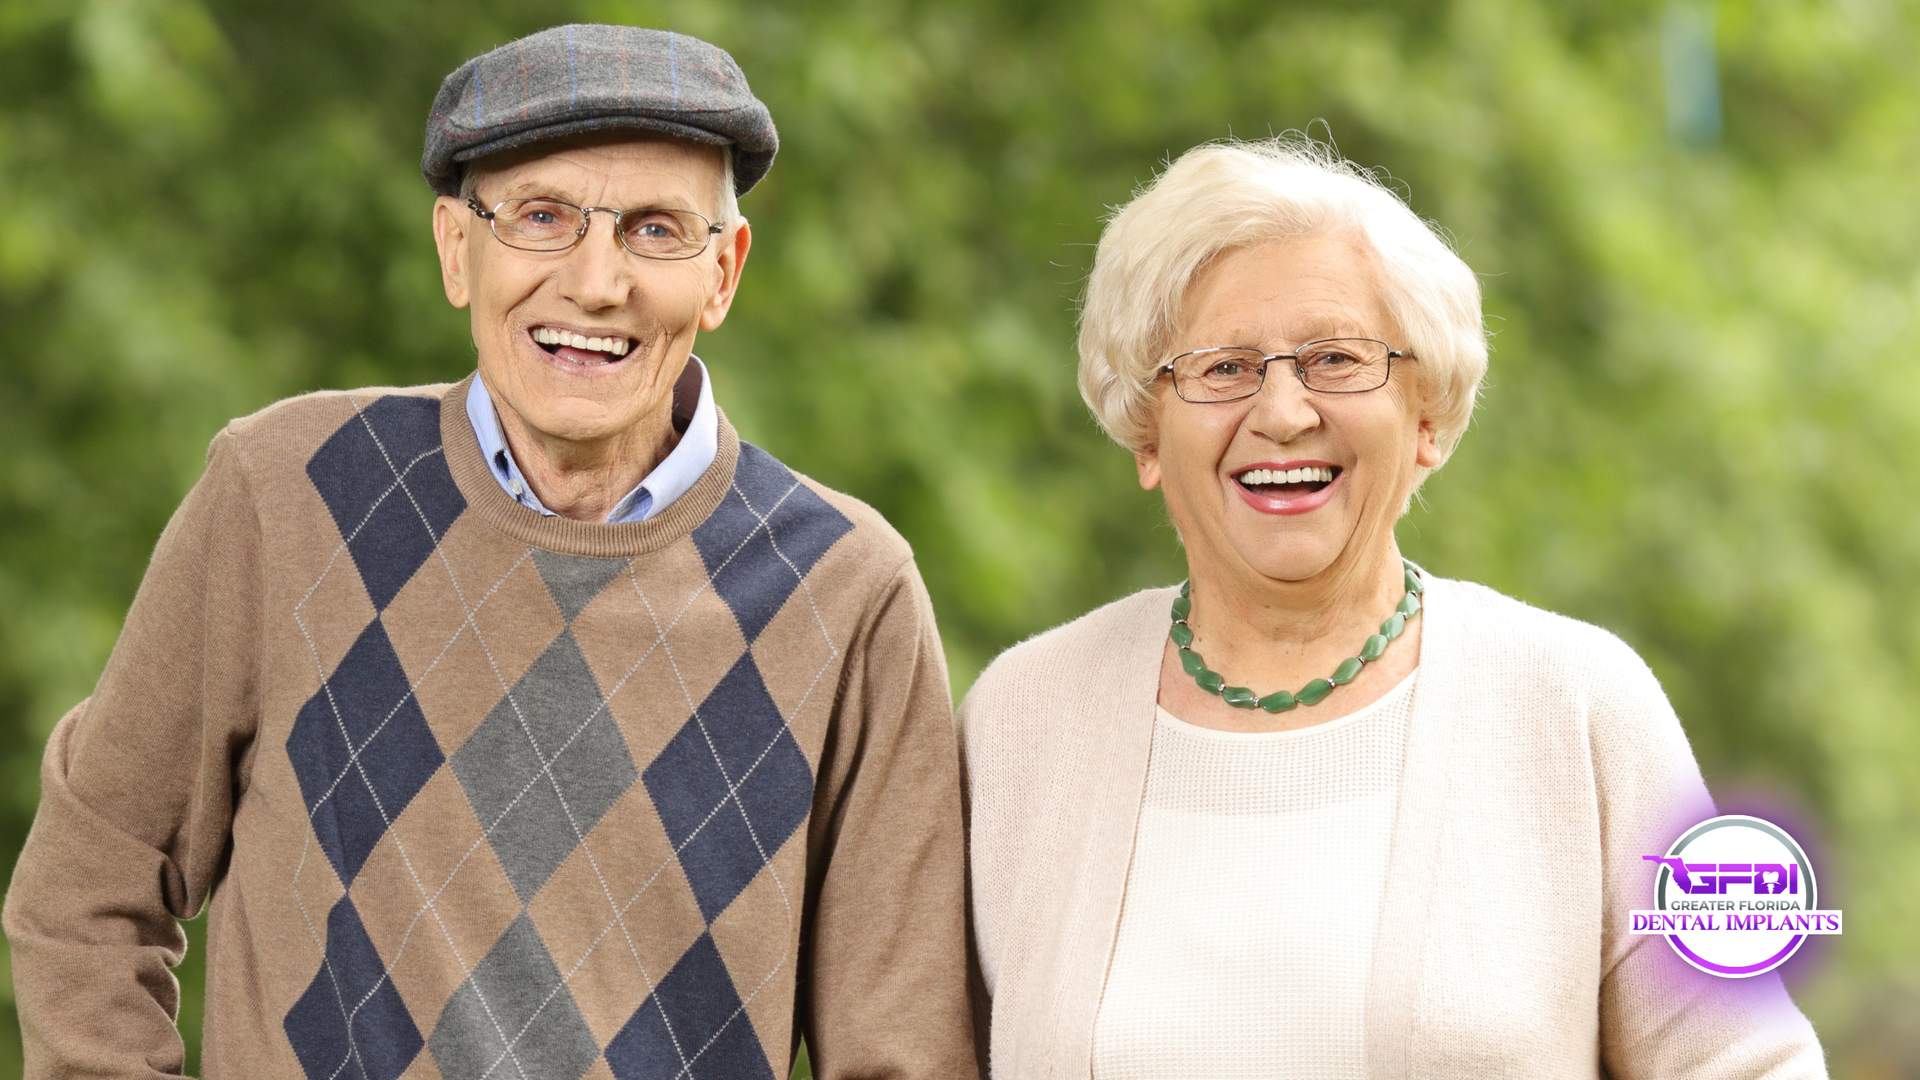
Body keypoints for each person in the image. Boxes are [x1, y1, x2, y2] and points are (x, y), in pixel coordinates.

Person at [5, 24, 977, 1080]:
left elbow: (901, 1053)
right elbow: (87, 884)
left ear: (723, 272)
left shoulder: (846, 591)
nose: (596, 282)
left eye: (655, 229)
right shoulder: (282, 496)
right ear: (456, 250)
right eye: (543, 218)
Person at [957, 138, 1826, 1079]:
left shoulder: (1577, 706)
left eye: (1336, 359)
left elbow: (1750, 1061)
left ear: (1425, 417)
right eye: (1221, 368)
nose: (1283, 411)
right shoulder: (1020, 721)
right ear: (1145, 432)